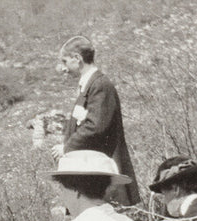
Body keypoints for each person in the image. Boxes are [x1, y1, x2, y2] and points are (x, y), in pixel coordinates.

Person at [51, 36, 140, 205]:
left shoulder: (100, 85)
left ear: (77, 58)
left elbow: (95, 126)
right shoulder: (89, 86)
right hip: (92, 175)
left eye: (65, 61)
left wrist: (67, 148)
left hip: (102, 177)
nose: (62, 68)